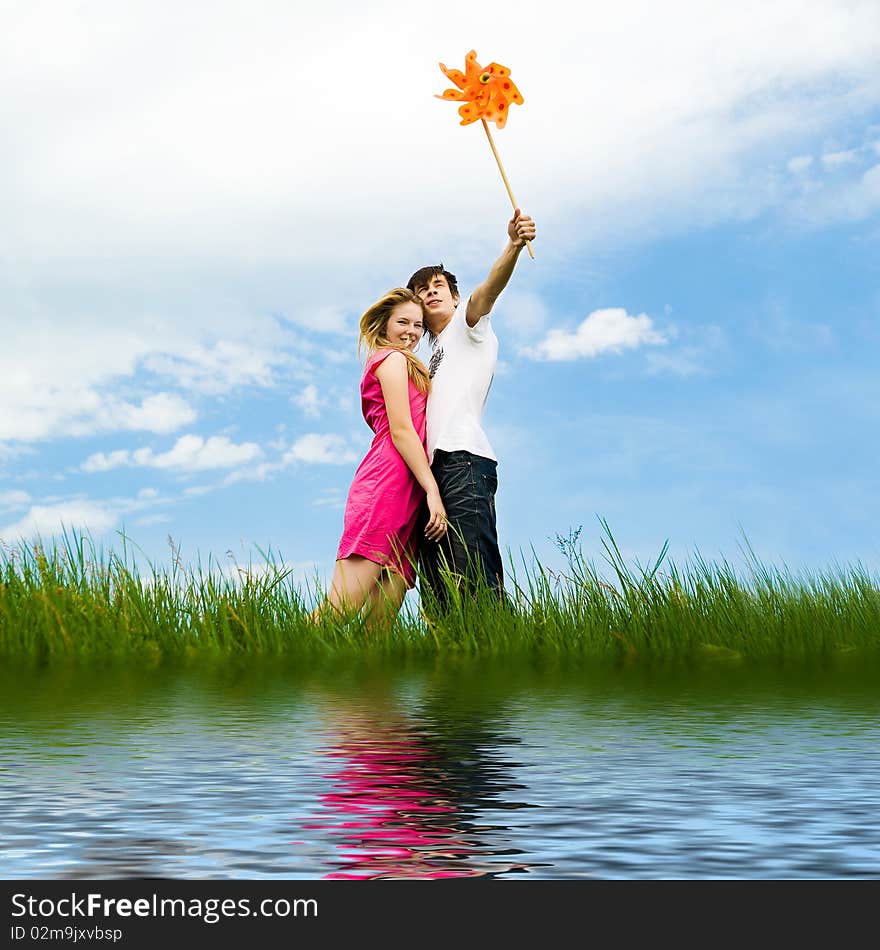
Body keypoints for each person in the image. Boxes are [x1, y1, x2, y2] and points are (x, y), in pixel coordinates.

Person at [407, 209, 537, 610]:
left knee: (474, 575)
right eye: (422, 290)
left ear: (454, 295)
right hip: (432, 475)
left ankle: (501, 665)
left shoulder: (469, 325)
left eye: (438, 286)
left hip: (463, 460)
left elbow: (488, 291)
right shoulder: (430, 357)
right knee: (439, 586)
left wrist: (513, 245)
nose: (430, 292)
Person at [311, 288, 449, 630]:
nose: (411, 331)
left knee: (379, 629)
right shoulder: (392, 359)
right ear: (384, 325)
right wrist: (433, 490)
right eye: (402, 322)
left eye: (418, 325)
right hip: (385, 486)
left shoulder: (410, 364)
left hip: (407, 497)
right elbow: (402, 430)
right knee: (340, 610)